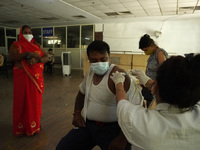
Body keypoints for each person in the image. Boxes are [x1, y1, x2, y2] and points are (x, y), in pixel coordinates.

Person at [56, 40, 143, 150]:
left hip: (113, 130)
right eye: (94, 60)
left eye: (103, 59)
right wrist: (77, 113)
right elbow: (81, 93)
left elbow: (138, 108)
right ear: (89, 61)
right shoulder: (90, 73)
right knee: (63, 147)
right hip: (87, 126)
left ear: (109, 57)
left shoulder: (119, 76)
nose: (99, 63)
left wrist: (123, 138)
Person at [110, 54, 200, 150]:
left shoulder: (138, 121)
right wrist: (146, 79)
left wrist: (118, 83)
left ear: (155, 88)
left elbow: (122, 102)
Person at [9, 25, 48, 137]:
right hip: (21, 78)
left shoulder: (37, 45)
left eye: (30, 32)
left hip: (35, 78)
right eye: (25, 32)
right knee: (21, 103)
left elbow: (46, 57)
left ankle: (34, 126)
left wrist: (35, 61)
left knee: (34, 102)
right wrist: (28, 54)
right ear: (21, 34)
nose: (28, 33)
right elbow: (12, 57)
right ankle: (21, 128)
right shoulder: (16, 44)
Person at [138, 34, 168, 107]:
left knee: (152, 105)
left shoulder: (160, 53)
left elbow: (163, 70)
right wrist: (144, 80)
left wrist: (155, 85)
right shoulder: (152, 53)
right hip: (149, 85)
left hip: (155, 85)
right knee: (146, 101)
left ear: (151, 45)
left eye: (146, 50)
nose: (145, 52)